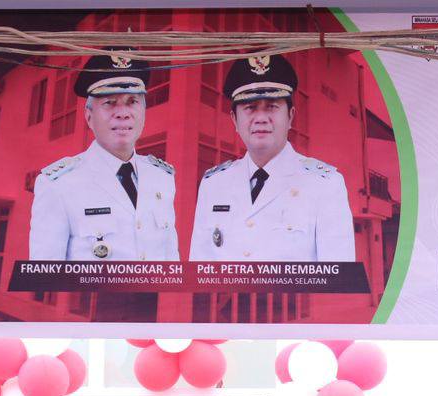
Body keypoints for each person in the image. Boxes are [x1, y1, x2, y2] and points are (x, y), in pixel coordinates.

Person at [190, 54, 357, 264]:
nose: (260, 118)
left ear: (290, 117)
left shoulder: (325, 184)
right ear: (234, 119)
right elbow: (199, 272)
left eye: (272, 106)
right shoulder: (213, 184)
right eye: (249, 107)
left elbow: (339, 281)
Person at [28, 53, 179, 263]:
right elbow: (46, 276)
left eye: (132, 101)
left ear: (144, 112)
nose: (123, 113)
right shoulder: (58, 184)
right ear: (89, 117)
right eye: (109, 102)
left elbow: (172, 263)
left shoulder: (162, 177)